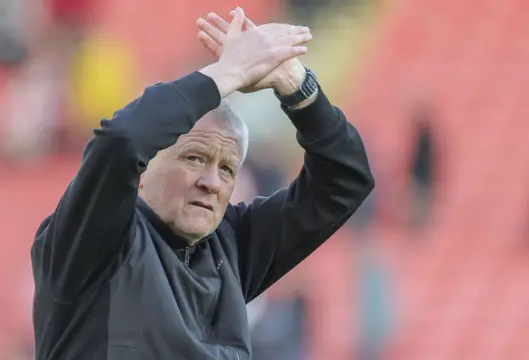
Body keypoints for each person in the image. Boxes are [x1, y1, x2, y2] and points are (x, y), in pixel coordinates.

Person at [31, 8, 374, 359]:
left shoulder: (234, 248)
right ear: (144, 168)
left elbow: (344, 182)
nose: (211, 182)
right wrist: (226, 75)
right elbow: (122, 139)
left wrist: (297, 87)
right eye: (194, 158)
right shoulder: (95, 240)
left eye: (227, 169)